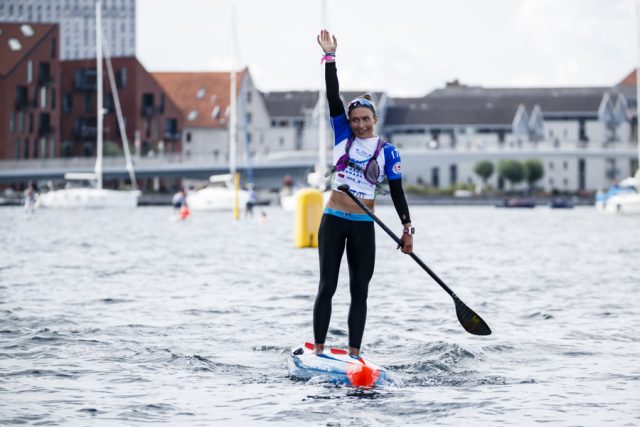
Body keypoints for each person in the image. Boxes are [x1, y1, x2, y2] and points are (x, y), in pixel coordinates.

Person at [313, 30, 414, 357]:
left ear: (375, 119)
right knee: (327, 286)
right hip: (334, 219)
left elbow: (398, 195)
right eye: (354, 119)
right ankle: (318, 350)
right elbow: (332, 97)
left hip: (362, 225)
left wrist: (407, 230)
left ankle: (355, 354)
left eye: (364, 119)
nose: (358, 125)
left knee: (360, 291)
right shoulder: (342, 134)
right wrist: (330, 59)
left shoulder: (389, 153)